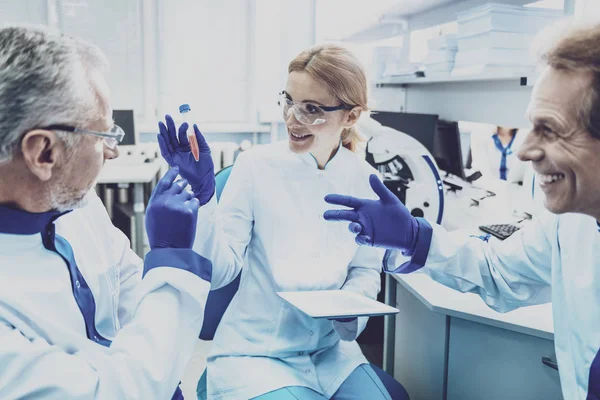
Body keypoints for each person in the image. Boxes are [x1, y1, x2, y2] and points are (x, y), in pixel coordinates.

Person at [323, 21, 600, 399]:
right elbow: (499, 271)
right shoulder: (571, 222)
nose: (524, 150)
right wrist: (414, 237)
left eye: (550, 129)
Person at [158, 44, 407, 399]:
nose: (292, 119)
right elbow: (220, 271)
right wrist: (204, 199)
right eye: (289, 101)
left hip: (331, 354)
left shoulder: (366, 181)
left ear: (351, 117)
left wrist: (351, 308)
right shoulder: (255, 167)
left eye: (312, 109)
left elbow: (365, 270)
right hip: (256, 353)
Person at [0, 26, 213, 399]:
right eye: (104, 136)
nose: (113, 151)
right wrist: (171, 259)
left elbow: (128, 284)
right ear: (44, 153)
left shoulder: (75, 203)